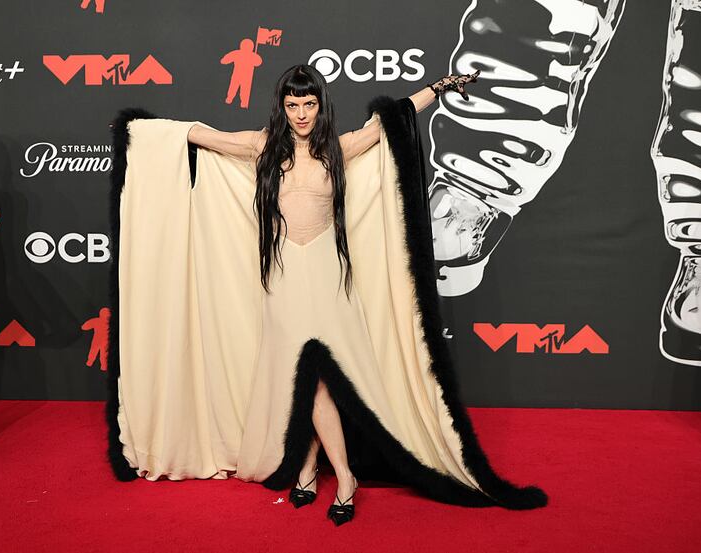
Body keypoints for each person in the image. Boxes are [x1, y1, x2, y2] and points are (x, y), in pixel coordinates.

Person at [107, 64, 545, 526]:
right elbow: (200, 134)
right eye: (292, 105)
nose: (300, 114)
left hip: (328, 275)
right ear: (282, 106)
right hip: (282, 278)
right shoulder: (260, 146)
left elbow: (389, 123)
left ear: (321, 105)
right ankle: (319, 472)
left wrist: (436, 88)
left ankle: (333, 474)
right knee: (302, 377)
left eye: (309, 104)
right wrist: (139, 130)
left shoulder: (337, 148)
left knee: (317, 376)